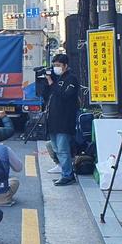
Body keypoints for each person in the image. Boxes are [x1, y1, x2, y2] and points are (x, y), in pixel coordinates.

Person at [45, 53, 79, 186]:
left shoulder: (71, 79)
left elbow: (64, 95)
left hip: (64, 120)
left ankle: (68, 175)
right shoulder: (58, 78)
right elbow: (48, 94)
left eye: (58, 65)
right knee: (56, 148)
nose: (56, 68)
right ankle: (65, 172)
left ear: (65, 65)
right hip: (53, 120)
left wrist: (51, 83)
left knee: (63, 148)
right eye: (54, 66)